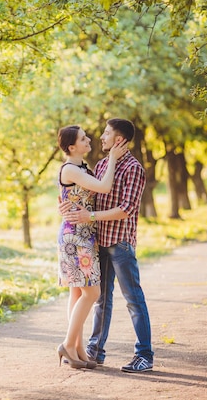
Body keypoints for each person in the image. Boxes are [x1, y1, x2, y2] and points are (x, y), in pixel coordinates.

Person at [60, 118, 154, 373]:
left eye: (107, 133)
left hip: (120, 242)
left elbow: (126, 209)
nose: (101, 137)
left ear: (119, 140)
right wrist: (66, 204)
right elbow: (81, 193)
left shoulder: (134, 168)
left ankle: (144, 355)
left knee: (133, 299)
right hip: (96, 241)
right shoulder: (101, 165)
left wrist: (88, 216)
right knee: (101, 299)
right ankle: (95, 350)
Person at [55, 125, 127, 369]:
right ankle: (67, 343)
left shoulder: (83, 168)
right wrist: (114, 158)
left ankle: (77, 347)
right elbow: (104, 187)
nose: (89, 140)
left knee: (77, 293)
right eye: (83, 138)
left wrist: (63, 203)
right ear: (72, 147)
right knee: (92, 293)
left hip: (84, 235)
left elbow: (71, 197)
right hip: (76, 238)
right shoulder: (70, 169)